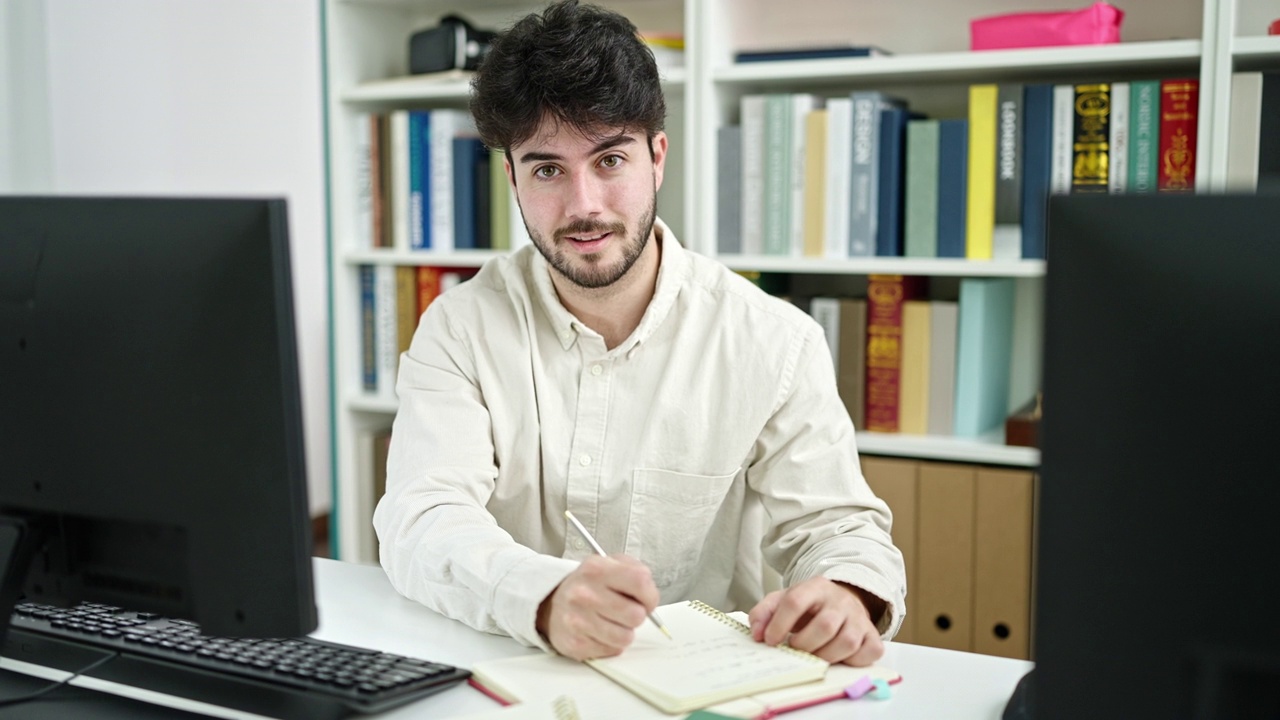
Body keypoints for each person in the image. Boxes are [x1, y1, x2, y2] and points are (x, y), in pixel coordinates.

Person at [373, 0, 905, 668]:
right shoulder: (459, 326)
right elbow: (420, 518)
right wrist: (542, 597)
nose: (583, 205)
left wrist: (847, 594)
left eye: (609, 161)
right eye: (546, 170)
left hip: (704, 686)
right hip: (513, 675)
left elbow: (837, 527)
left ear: (657, 156)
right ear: (511, 176)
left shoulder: (775, 340)